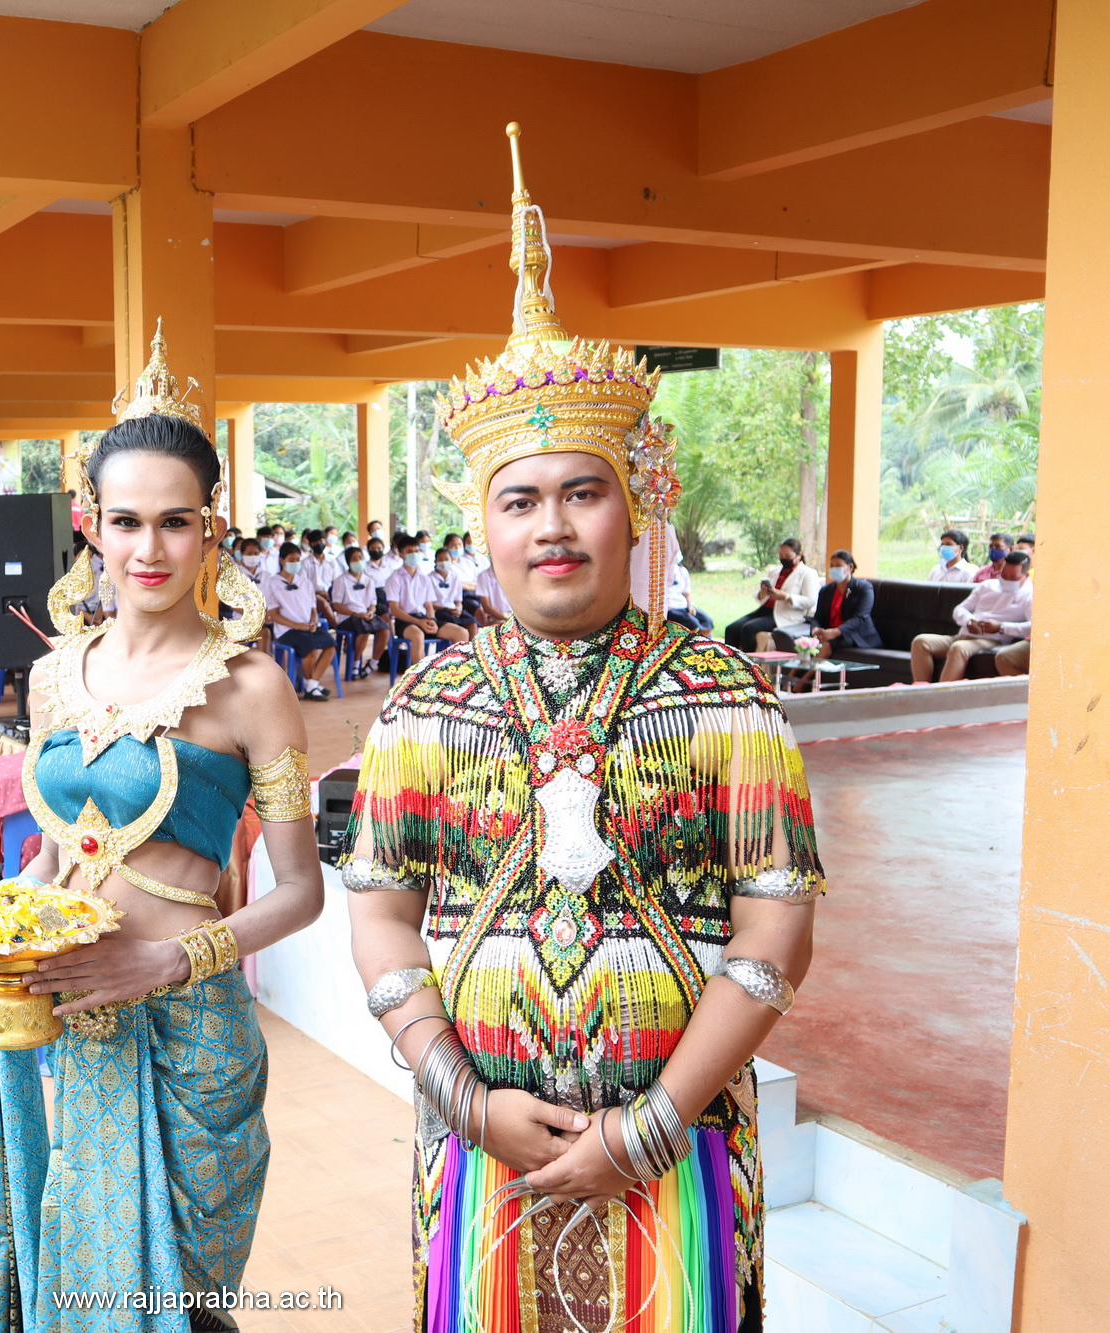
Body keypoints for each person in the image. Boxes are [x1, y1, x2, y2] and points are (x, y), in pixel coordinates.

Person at [347, 148, 819, 1331]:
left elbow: (774, 928)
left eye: (580, 491)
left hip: (681, 1148)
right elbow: (381, 915)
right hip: (481, 1152)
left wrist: (648, 1125)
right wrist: (464, 1100)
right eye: (519, 499)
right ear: (483, 525)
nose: (550, 526)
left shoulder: (727, 697)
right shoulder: (422, 705)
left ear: (634, 499)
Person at [0, 331, 323, 1332]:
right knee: (85, 1280)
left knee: (182, 1306)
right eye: (125, 521)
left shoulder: (249, 686)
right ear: (89, 524)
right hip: (74, 1018)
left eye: (174, 522)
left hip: (191, 1033)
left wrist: (167, 961)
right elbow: (48, 858)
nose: (148, 550)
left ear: (211, 529)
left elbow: (300, 891)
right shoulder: (52, 675)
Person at [910, 551, 1032, 683]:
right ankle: (921, 687)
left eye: (1013, 577)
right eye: (1004, 575)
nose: (1006, 580)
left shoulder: (1029, 595)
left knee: (959, 648)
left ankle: (942, 692)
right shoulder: (987, 585)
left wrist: (1000, 627)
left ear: (1026, 575)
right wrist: (969, 621)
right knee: (920, 642)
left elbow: (1033, 627)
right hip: (964, 634)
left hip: (992, 640)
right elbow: (960, 609)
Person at [768, 548, 880, 658]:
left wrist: (836, 632)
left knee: (824, 645)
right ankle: (795, 669)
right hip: (829, 633)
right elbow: (818, 617)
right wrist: (815, 630)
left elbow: (860, 617)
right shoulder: (826, 590)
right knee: (805, 643)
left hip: (856, 635)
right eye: (832, 566)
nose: (834, 569)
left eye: (838, 566)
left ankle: (808, 671)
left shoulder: (863, 588)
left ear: (850, 567)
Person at [262, 541, 335, 700]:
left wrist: (313, 622)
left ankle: (312, 684)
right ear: (282, 560)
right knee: (310, 647)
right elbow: (274, 614)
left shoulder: (305, 582)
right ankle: (311, 687)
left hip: (307, 627)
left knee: (330, 644)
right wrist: (297, 625)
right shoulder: (272, 583)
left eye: (297, 560)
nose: (295, 563)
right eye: (291, 560)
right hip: (287, 630)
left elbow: (313, 609)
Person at [721, 537, 818, 651]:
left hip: (785, 615)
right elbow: (761, 597)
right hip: (765, 610)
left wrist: (786, 597)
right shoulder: (774, 571)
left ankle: (749, 661)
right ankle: (729, 659)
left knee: (748, 629)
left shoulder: (808, 573)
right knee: (731, 629)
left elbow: (810, 601)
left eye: (787, 556)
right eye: (781, 555)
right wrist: (762, 592)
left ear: (799, 555)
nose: (783, 558)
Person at [385, 535, 470, 657]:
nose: (414, 554)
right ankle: (420, 670)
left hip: (424, 619)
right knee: (418, 635)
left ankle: (456, 668)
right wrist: (418, 622)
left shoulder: (425, 578)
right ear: (401, 554)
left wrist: (432, 620)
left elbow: (429, 606)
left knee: (462, 633)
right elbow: (394, 610)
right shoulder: (394, 578)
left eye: (416, 551)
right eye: (409, 551)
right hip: (404, 621)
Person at [329, 545, 391, 679]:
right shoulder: (341, 580)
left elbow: (373, 603)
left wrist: (371, 611)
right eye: (354, 559)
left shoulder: (368, 580)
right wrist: (356, 614)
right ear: (348, 562)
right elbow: (337, 605)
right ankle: (355, 664)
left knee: (385, 630)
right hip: (348, 617)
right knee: (364, 629)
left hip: (365, 615)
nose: (358, 561)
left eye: (360, 557)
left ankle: (373, 663)